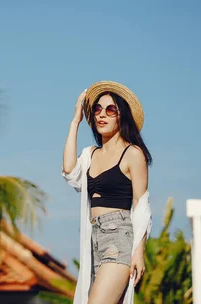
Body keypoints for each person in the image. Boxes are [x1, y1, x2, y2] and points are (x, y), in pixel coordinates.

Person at [61, 81, 153, 304]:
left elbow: (142, 205)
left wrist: (138, 252)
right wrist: (75, 122)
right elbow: (69, 171)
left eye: (110, 109)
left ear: (122, 116)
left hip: (119, 238)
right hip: (93, 241)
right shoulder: (90, 154)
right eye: (97, 109)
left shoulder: (132, 154)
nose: (102, 114)